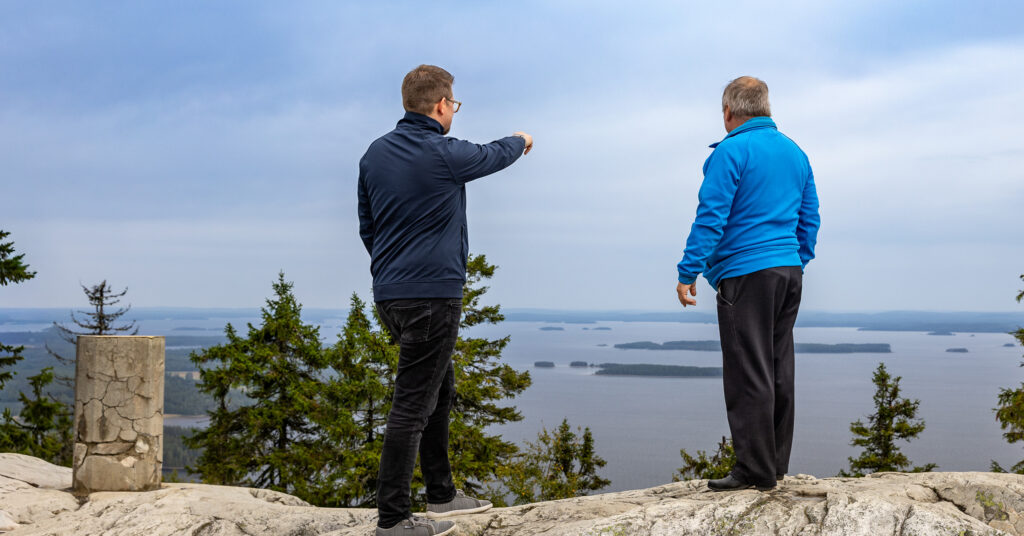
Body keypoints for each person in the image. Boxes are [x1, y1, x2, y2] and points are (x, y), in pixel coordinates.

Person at [357, 64, 533, 536]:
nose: (453, 111)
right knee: (413, 404)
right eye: (453, 104)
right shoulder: (443, 152)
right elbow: (493, 154)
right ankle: (393, 520)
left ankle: (441, 494)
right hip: (433, 295)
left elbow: (367, 226)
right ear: (441, 106)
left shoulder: (374, 155)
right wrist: (522, 139)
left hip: (390, 295)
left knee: (440, 386)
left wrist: (394, 269)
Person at [675, 76, 820, 492]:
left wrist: (688, 271)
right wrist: (797, 260)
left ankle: (754, 472)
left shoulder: (732, 150)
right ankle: (773, 466)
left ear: (728, 112)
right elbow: (810, 219)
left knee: (747, 371)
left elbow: (711, 214)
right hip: (788, 272)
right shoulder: (796, 153)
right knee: (778, 368)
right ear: (766, 108)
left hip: (746, 273)